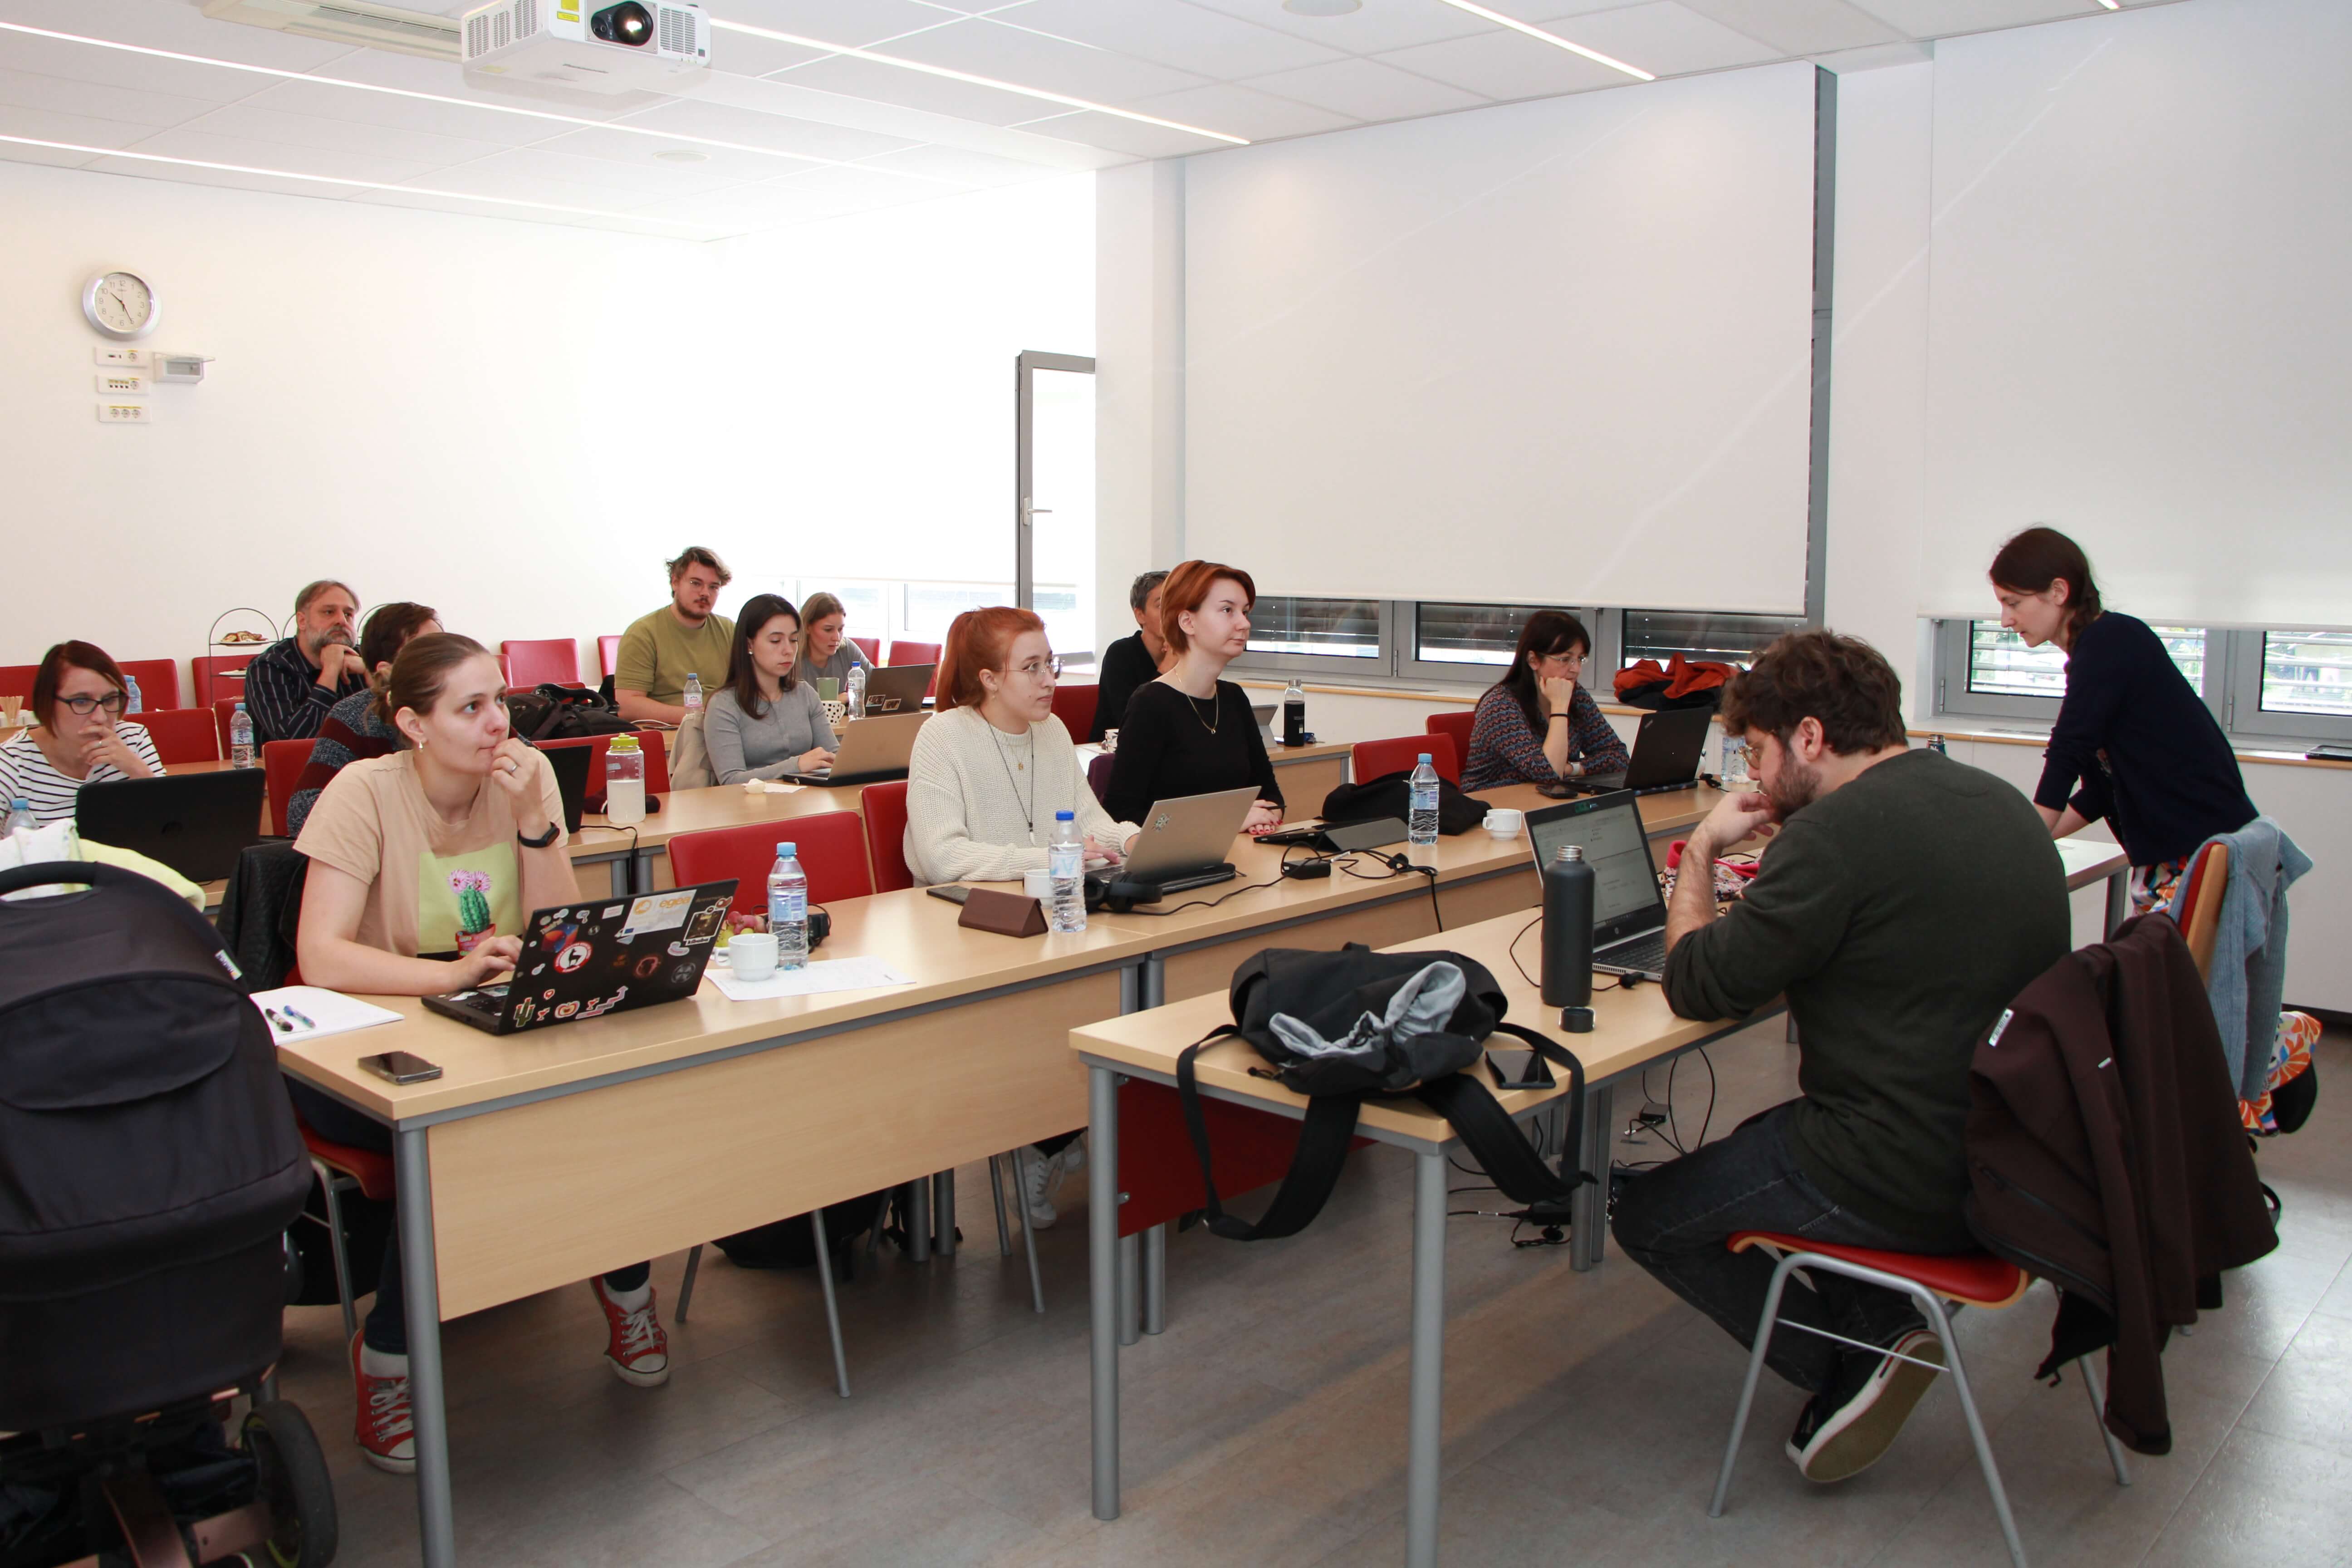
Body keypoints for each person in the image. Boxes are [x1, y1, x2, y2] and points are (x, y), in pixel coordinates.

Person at [1611, 630, 2069, 1486]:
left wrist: (1702, 849)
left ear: (1811, 737)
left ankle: (1853, 1367)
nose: (1753, 776)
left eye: (1757, 752)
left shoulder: (1833, 836)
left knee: (1646, 1213)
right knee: (1758, 1141)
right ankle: (1882, 1324)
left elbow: (1696, 982)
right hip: (2016, 1158)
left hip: (1903, 1170)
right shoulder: (1996, 801)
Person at [290, 634, 669, 1475]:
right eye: (471, 708)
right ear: (413, 724)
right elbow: (322, 955)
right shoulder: (364, 792)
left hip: (488, 1017)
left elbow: (562, 940)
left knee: (605, 1102)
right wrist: (451, 974)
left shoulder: (526, 780)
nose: (499, 722)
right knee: (449, 1140)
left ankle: (628, 1293)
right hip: (370, 1031)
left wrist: (536, 826)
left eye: (499, 700)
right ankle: (386, 1360)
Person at [905, 606, 1137, 1225]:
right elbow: (943, 858)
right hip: (967, 932)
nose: (1049, 680)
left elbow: (1091, 822)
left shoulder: (1053, 732)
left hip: (1051, 913)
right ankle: (1048, 1135)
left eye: (1049, 664)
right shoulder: (943, 738)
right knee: (1059, 1007)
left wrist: (1136, 840)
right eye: (1031, 668)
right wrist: (1052, 856)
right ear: (988, 679)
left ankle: (1062, 1129)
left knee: (1127, 985)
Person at [1989, 526, 2255, 914]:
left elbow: (2067, 754)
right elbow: (2101, 791)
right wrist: (2030, 841)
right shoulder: (2099, 650)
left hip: (2197, 852)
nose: (2005, 620)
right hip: (2184, 852)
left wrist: (2019, 843)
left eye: (2013, 603)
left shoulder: (2110, 642)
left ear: (2059, 592)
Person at [1102, 560, 1284, 833]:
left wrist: (1263, 817)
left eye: (1245, 612)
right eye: (1228, 610)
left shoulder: (1234, 698)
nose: (1245, 623)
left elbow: (1271, 795)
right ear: (1188, 622)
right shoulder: (1151, 703)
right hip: (1172, 857)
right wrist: (1225, 822)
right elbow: (1122, 815)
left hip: (1236, 851)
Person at [285, 602, 441, 837]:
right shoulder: (354, 716)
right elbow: (303, 813)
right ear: (389, 671)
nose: (446, 659)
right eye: (427, 654)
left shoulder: (471, 709)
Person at [1460, 610, 1630, 790]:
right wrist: (1560, 707)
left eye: (1580, 659)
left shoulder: (1576, 695)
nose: (1576, 669)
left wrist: (1572, 769)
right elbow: (1549, 773)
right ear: (1533, 660)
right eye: (1565, 659)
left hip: (1547, 797)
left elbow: (1619, 757)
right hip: (1494, 801)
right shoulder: (1500, 706)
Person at [0, 641, 163, 823]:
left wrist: (138, 770)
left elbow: (173, 826)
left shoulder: (132, 738)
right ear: (48, 703)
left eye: (110, 700)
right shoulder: (11, 763)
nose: (100, 717)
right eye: (82, 702)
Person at [704, 594, 838, 784]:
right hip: (750, 802)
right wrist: (797, 765)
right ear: (749, 644)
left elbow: (834, 756)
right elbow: (731, 780)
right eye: (776, 641)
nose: (788, 650)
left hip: (806, 799)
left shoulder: (805, 694)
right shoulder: (723, 705)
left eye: (794, 640)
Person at [615, 546, 736, 725]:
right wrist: (702, 716)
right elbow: (628, 706)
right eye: (696, 583)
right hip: (670, 732)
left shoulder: (730, 630)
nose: (705, 593)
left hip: (723, 728)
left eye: (714, 587)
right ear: (675, 582)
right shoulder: (643, 633)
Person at [245, 579, 366, 744]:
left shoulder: (364, 658)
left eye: (348, 614)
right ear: (302, 621)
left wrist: (371, 673)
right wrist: (331, 671)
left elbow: (397, 730)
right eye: (329, 612)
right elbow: (295, 741)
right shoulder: (269, 666)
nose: (342, 621)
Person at [1088, 569, 1170, 743]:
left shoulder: (1186, 654)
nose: (1171, 612)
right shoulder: (1120, 654)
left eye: (1176, 603)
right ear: (1140, 615)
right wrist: (1168, 664)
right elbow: (1134, 721)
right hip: (1115, 750)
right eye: (1161, 605)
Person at [797, 591, 874, 692]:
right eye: (828, 630)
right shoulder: (791, 656)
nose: (837, 638)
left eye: (840, 629)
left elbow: (877, 682)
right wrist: (835, 700)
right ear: (807, 627)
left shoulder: (847, 648)